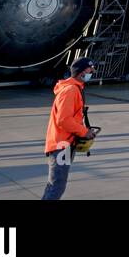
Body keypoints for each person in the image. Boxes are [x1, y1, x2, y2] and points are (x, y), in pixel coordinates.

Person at [41, 58, 96, 200]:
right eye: (90, 70)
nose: (92, 73)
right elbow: (63, 120)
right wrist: (84, 132)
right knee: (57, 186)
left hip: (65, 144)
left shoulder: (74, 88)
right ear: (81, 72)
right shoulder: (70, 90)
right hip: (61, 145)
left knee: (54, 185)